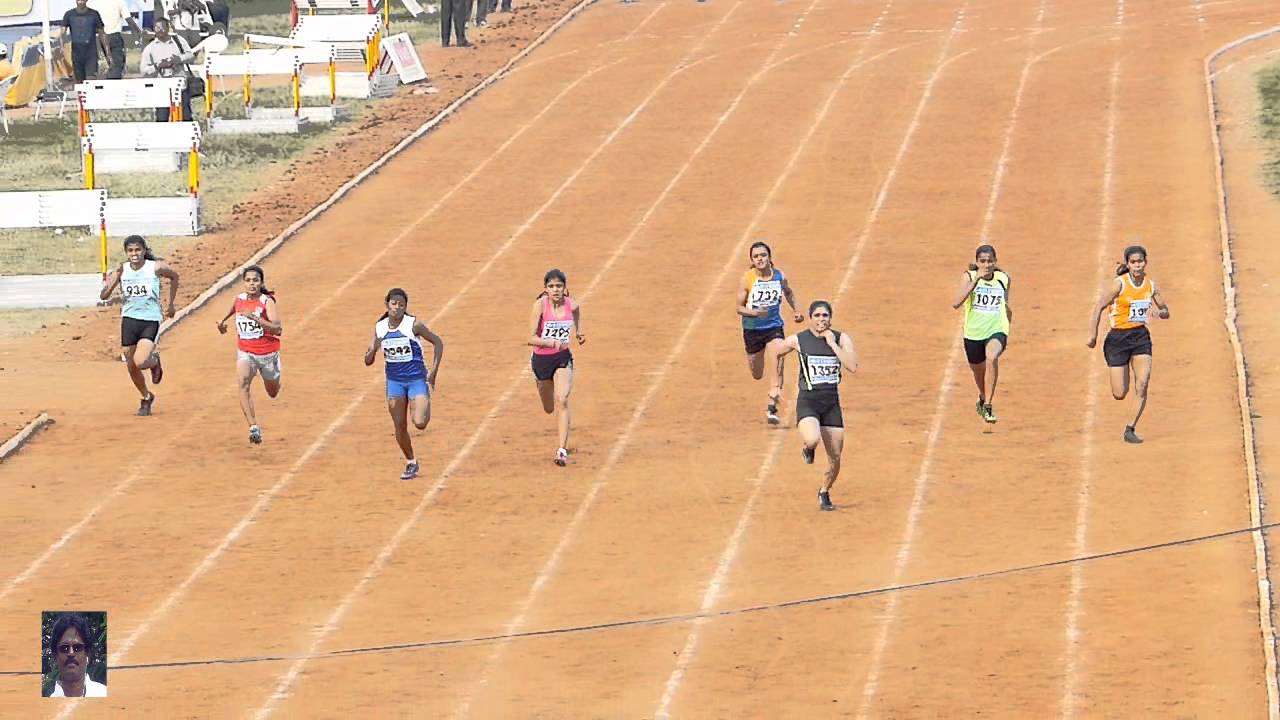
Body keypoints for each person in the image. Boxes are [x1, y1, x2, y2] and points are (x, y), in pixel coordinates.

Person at [768, 300, 858, 511]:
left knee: (835, 458)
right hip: (808, 400)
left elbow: (852, 365)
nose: (821, 320)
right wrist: (775, 383)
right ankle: (808, 449)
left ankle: (824, 491)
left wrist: (833, 344)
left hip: (831, 403)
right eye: (817, 316)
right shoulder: (799, 339)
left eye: (824, 316)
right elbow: (775, 352)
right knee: (812, 438)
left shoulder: (841, 338)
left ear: (830, 318)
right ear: (810, 318)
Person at [1087, 244, 1170, 444]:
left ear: (1145, 262)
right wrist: (1093, 336)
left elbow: (1165, 309)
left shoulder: (1151, 285)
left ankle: (1130, 429)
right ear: (1128, 264)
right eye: (1133, 262)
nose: (1137, 265)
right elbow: (1099, 307)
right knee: (1119, 393)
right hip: (1117, 339)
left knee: (1142, 383)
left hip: (1140, 337)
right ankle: (1126, 412)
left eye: (1140, 261)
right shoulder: (1119, 284)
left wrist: (1159, 313)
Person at [364, 288, 445, 480]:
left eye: (401, 305)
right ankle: (411, 462)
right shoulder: (380, 328)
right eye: (394, 304)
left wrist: (433, 372)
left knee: (420, 423)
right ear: (387, 305)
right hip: (394, 382)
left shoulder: (414, 325)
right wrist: (372, 351)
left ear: (405, 307)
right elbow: (368, 360)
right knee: (399, 425)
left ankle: (422, 399)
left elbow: (438, 343)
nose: (397, 308)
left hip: (416, 380)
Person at [99, 235, 179, 416]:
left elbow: (174, 277)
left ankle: (154, 361)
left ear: (144, 251)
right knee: (131, 365)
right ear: (126, 253)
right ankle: (146, 397)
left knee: (141, 361)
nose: (134, 254)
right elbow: (103, 296)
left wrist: (171, 304)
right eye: (130, 251)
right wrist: (116, 277)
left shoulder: (155, 267)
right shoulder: (122, 269)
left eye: (138, 250)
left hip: (150, 319)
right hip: (129, 319)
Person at [736, 241, 803, 425]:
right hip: (752, 330)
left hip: (773, 328)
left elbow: (788, 292)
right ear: (752, 260)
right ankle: (771, 397)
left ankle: (771, 407)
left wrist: (796, 310)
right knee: (757, 373)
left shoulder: (779, 276)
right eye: (756, 256)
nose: (760, 259)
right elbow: (739, 308)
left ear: (769, 257)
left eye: (763, 255)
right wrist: (755, 313)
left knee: (778, 361)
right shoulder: (747, 279)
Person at [216, 265, 283, 445]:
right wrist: (221, 324)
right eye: (248, 280)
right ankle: (253, 427)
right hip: (246, 352)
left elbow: (278, 329)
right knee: (243, 384)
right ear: (244, 283)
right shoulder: (238, 300)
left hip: (268, 354)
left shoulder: (267, 301)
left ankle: (274, 380)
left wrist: (256, 319)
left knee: (273, 392)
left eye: (255, 280)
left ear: (261, 282)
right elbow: (227, 316)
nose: (252, 284)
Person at [528, 269, 585, 467]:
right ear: (545, 289)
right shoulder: (540, 306)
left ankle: (561, 450)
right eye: (551, 286)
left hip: (562, 358)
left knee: (562, 400)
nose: (556, 290)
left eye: (559, 286)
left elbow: (577, 312)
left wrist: (579, 331)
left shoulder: (572, 304)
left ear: (565, 288)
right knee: (549, 407)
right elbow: (530, 338)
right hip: (542, 360)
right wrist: (553, 343)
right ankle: (540, 383)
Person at [951, 244, 1011, 424]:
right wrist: (975, 281)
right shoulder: (968, 277)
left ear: (995, 262)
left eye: (990, 261)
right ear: (977, 263)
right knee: (978, 373)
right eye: (983, 261)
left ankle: (988, 406)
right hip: (973, 333)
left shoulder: (1003, 278)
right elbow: (956, 303)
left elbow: (1005, 304)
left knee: (991, 357)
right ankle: (983, 397)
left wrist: (1008, 324)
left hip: (996, 329)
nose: (987, 265)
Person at [139, 18, 195, 121]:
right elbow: (143, 70)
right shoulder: (150, 48)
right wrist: (158, 66)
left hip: (180, 85)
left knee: (185, 115)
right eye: (157, 27)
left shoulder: (178, 41)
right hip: (161, 87)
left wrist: (179, 59)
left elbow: (191, 56)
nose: (160, 30)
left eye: (162, 27)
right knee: (162, 118)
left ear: (167, 28)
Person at [44, 614, 107, 698]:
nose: (71, 653)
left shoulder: (104, 694)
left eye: (77, 647)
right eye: (64, 648)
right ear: (55, 656)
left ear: (87, 654)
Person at [88, 0, 141, 79]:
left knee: (107, 65)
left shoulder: (92, 3)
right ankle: (113, 84)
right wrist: (138, 32)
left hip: (99, 37)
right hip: (114, 36)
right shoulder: (119, 2)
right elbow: (128, 19)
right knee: (117, 65)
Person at [61, 0, 107, 82]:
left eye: (82, 0)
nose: (80, 2)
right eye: (78, 0)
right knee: (79, 82)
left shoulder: (94, 14)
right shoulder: (69, 14)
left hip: (91, 53)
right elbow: (62, 33)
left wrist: (108, 53)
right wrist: (62, 48)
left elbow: (102, 33)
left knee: (91, 80)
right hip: (76, 54)